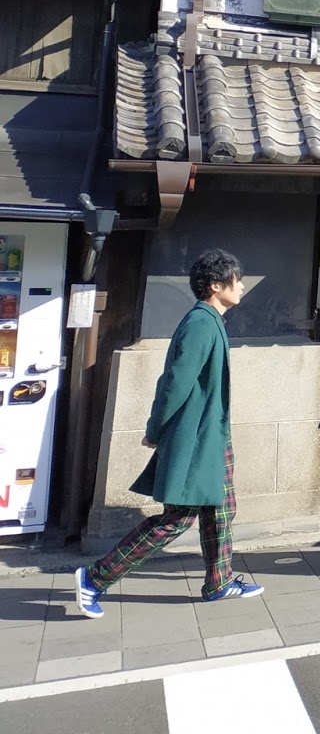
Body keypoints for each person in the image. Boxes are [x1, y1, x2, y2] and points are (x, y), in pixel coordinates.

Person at [76, 251, 264, 617]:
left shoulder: (210, 320)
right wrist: (156, 427)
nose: (241, 286)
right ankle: (95, 578)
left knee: (222, 510)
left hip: (210, 435)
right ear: (216, 285)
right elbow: (175, 381)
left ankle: (220, 581)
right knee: (178, 518)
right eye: (236, 279)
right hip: (196, 437)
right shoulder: (201, 323)